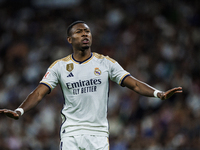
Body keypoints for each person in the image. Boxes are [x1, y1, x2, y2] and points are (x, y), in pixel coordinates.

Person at [0, 20, 182, 150]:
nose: (85, 34)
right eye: (79, 32)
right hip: (71, 132)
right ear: (69, 40)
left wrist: (159, 94)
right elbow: (39, 93)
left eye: (87, 31)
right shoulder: (60, 66)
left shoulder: (105, 63)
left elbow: (133, 84)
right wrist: (20, 111)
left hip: (99, 134)